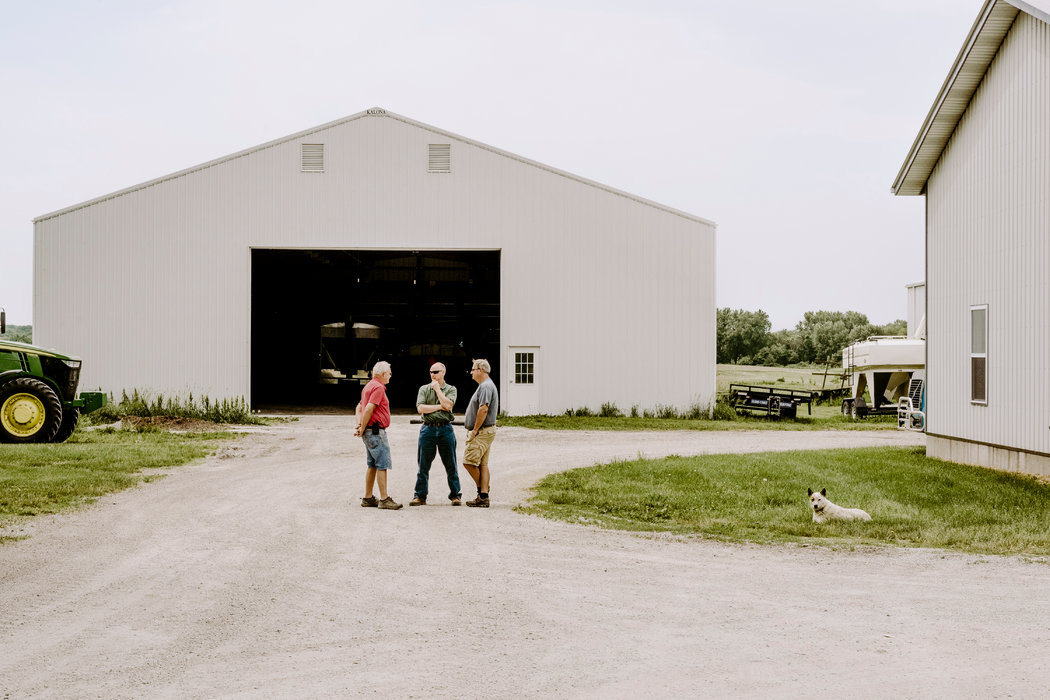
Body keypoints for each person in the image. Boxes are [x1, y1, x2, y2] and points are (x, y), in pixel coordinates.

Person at [410, 362, 462, 506]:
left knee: (451, 463)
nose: (433, 374)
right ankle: (420, 495)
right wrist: (440, 406)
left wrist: (438, 390)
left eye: (436, 372)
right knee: (423, 464)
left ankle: (455, 495)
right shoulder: (424, 389)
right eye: (431, 372)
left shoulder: (451, 389)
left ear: (443, 372)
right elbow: (420, 408)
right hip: (428, 429)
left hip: (445, 429)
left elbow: (449, 405)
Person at [354, 361, 402, 510]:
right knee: (382, 464)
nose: (390, 375)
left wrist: (360, 425)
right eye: (389, 372)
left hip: (369, 431)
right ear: (382, 374)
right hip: (376, 432)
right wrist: (361, 427)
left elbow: (359, 407)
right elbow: (368, 408)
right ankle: (384, 499)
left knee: (372, 464)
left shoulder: (368, 386)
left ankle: (368, 497)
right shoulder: (379, 387)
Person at [462, 358, 499, 507]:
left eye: (473, 369)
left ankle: (483, 493)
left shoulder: (485, 386)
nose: (471, 372)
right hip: (487, 431)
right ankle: (483, 495)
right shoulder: (486, 385)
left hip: (482, 431)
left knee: (469, 462)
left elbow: (483, 409)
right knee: (483, 464)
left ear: (481, 370)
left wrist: (475, 430)